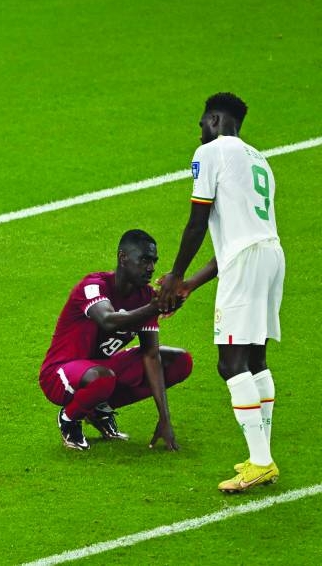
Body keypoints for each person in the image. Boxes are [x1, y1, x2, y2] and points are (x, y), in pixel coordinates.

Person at [158, 93, 284, 493]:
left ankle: (261, 461)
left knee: (231, 364)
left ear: (214, 118)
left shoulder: (212, 153)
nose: (199, 132)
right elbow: (231, 239)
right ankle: (260, 456)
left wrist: (173, 276)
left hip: (246, 263)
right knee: (256, 358)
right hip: (270, 255)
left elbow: (197, 223)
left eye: (201, 123)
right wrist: (190, 284)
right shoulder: (258, 159)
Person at [39, 229, 193, 452]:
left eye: (153, 261)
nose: (151, 268)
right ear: (123, 258)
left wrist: (165, 418)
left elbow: (151, 355)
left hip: (101, 371)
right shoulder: (93, 286)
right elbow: (109, 321)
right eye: (144, 260)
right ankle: (70, 418)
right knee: (103, 378)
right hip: (59, 373)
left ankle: (98, 409)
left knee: (179, 361)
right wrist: (154, 307)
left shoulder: (146, 296)